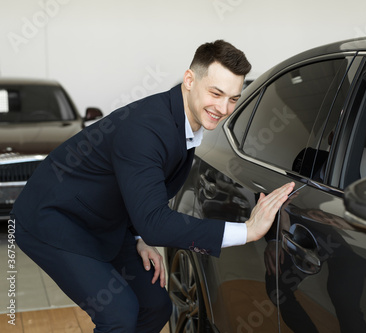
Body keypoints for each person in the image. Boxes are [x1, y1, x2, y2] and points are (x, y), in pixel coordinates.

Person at [11, 40, 294, 332]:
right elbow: (156, 224)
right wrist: (248, 231)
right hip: (53, 218)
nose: (223, 108)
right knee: (118, 313)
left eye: (233, 99)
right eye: (216, 93)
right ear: (189, 80)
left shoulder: (182, 122)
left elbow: (139, 191)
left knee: (156, 307)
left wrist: (137, 237)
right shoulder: (145, 130)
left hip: (105, 220)